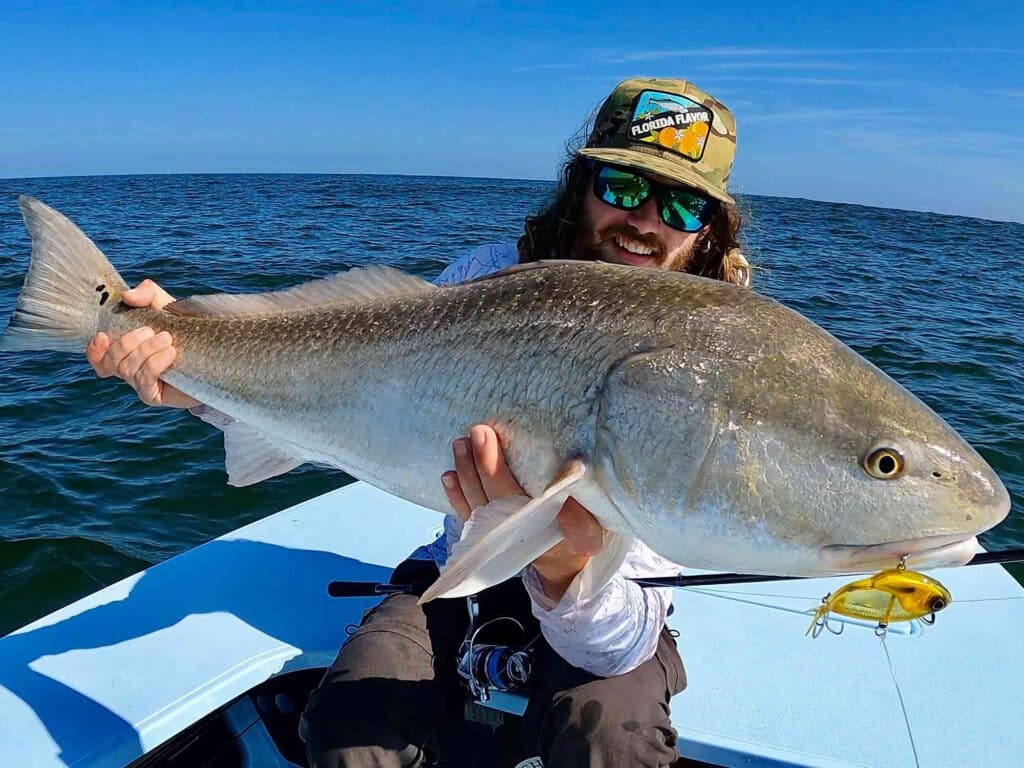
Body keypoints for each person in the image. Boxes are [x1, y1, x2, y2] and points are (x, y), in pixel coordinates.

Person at [85, 77, 749, 767]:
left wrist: (558, 564)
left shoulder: (710, 359)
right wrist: (185, 363)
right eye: (622, 187)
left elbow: (612, 645)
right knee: (348, 731)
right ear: (583, 182)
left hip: (610, 600)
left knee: (614, 744)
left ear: (708, 227)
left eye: (681, 202)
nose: (645, 221)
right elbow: (348, 399)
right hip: (460, 569)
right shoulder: (485, 279)